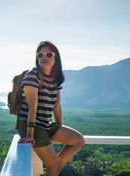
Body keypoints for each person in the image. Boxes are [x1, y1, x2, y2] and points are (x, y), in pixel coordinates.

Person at [18, 41, 84, 176]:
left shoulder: (55, 79)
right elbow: (32, 106)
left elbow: (57, 107)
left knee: (78, 140)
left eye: (49, 54)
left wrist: (59, 128)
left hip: (45, 124)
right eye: (40, 54)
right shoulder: (32, 75)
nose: (44, 57)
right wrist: (30, 135)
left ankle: (54, 167)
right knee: (54, 167)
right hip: (31, 125)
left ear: (56, 58)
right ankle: (53, 168)